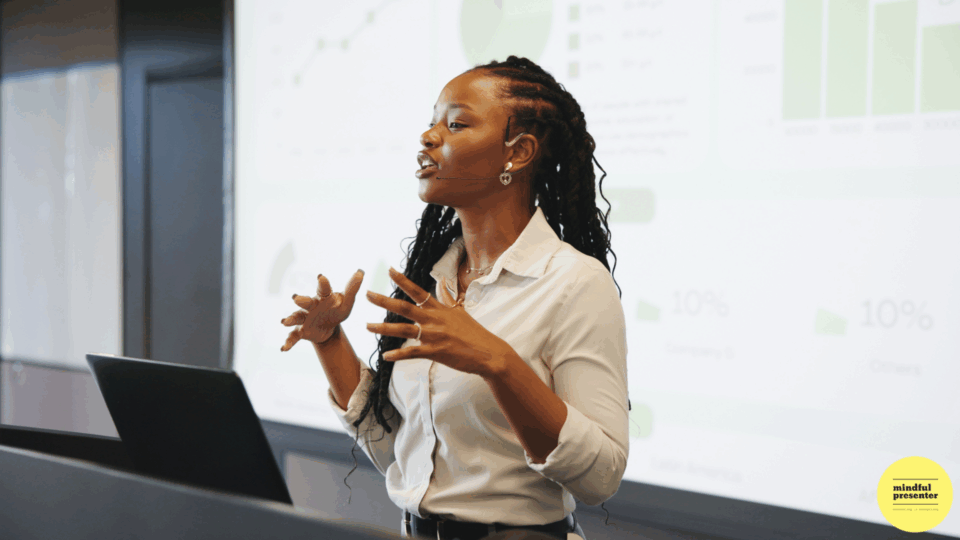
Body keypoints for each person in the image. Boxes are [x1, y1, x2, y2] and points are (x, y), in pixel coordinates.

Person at [280, 56, 628, 540]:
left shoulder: (574, 283)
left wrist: (497, 362)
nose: (428, 137)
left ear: (519, 152)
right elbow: (399, 454)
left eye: (457, 124)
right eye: (431, 123)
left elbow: (601, 477)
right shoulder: (436, 283)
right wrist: (328, 341)